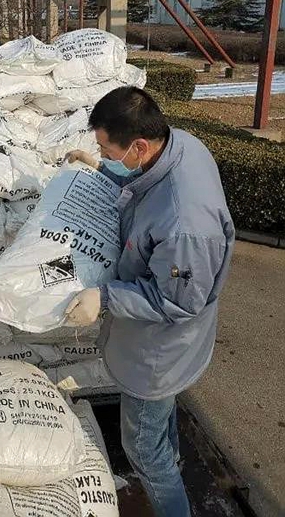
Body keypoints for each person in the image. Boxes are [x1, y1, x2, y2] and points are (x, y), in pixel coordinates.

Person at [65, 86, 235, 517]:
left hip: (159, 351)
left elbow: (178, 302)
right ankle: (172, 462)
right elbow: (144, 190)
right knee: (159, 429)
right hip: (165, 341)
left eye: (107, 149)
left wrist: (103, 296)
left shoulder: (185, 224)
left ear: (138, 146)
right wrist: (106, 171)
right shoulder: (180, 145)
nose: (102, 153)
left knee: (144, 451)